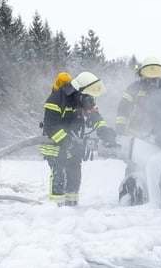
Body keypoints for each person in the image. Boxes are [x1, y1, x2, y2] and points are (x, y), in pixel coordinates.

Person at [41, 71, 117, 206]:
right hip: (55, 146)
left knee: (75, 175)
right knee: (59, 174)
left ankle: (71, 206)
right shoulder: (57, 99)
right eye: (88, 96)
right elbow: (51, 127)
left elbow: (95, 116)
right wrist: (67, 140)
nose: (90, 100)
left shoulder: (85, 100)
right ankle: (55, 209)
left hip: (73, 145)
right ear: (79, 91)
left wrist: (104, 131)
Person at [115, 56, 161, 138]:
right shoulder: (134, 88)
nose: (151, 82)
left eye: (154, 79)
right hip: (134, 135)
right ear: (142, 75)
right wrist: (120, 131)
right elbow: (123, 109)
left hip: (158, 138)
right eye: (149, 78)